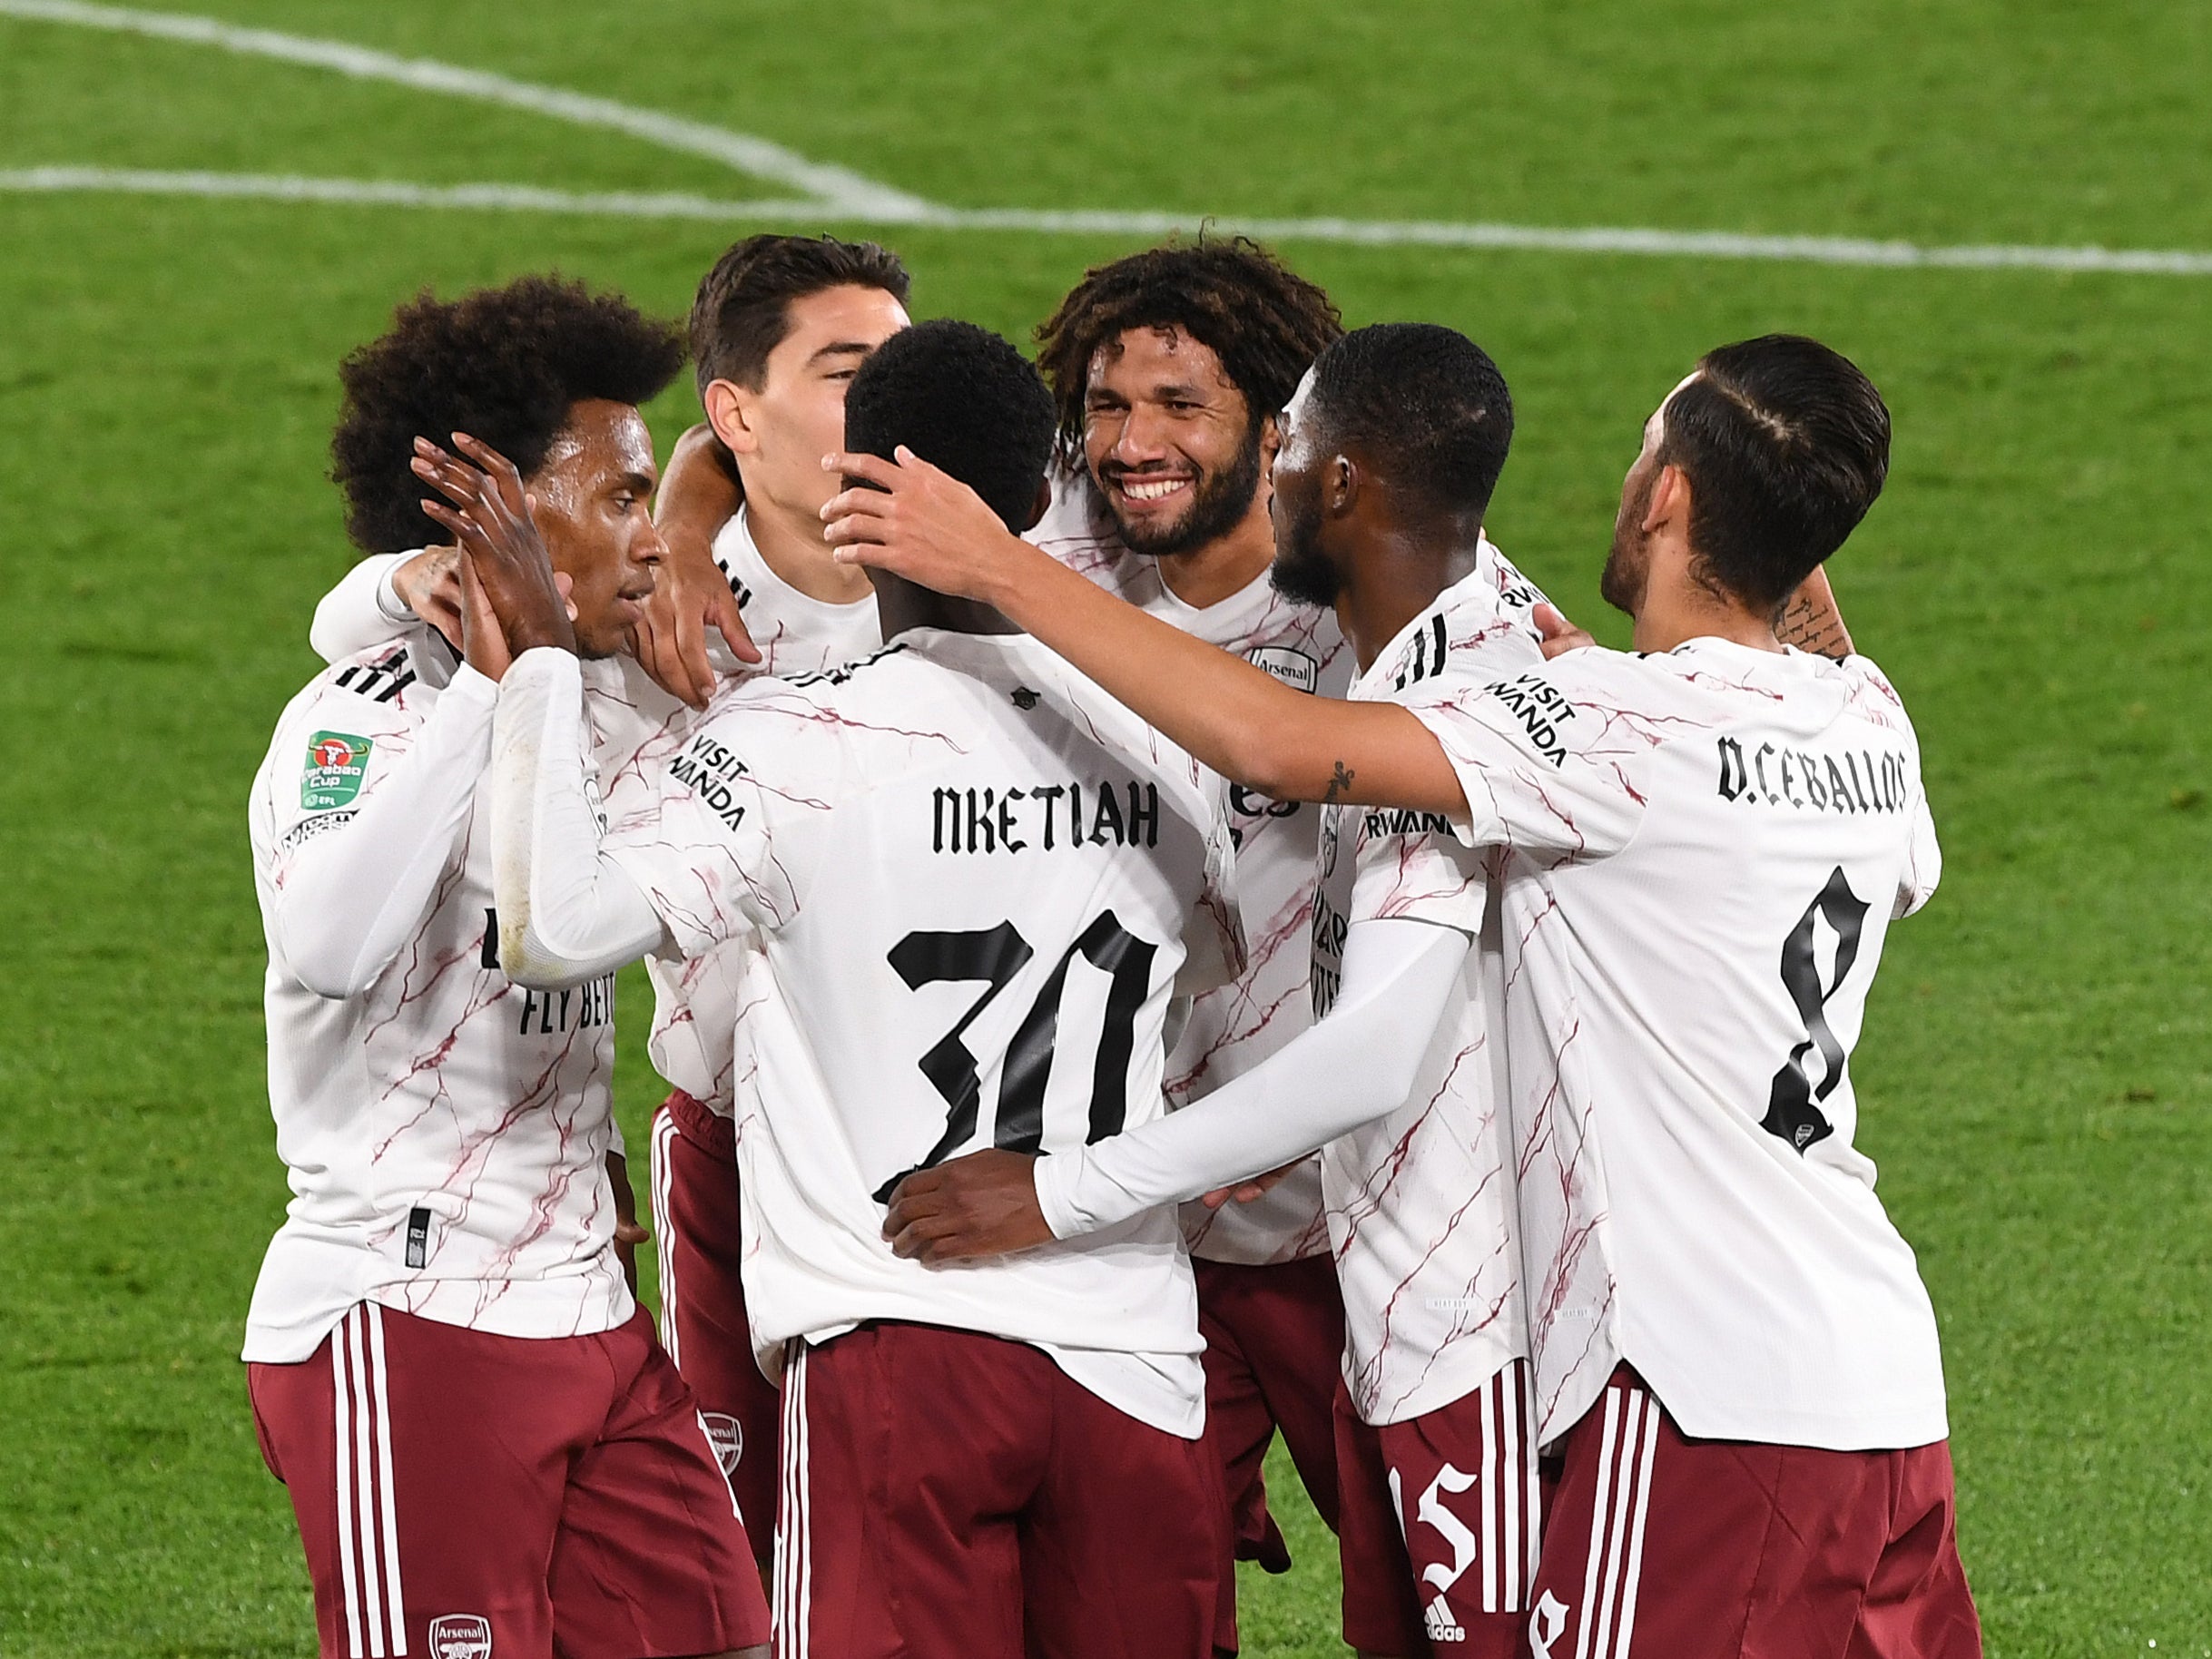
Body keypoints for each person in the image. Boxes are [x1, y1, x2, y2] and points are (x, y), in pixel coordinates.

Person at [824, 331, 1981, 1658]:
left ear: (1665, 497)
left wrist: (995, 565)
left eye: (1640, 455)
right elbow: (1865, 800)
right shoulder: (1864, 724)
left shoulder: (1596, 724)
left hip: (1704, 1383)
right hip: (1880, 1372)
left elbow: (1277, 743)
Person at [434, 319, 1247, 1659]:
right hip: (1136, 1359)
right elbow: (1211, 982)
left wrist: (533, 665)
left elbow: (552, 929)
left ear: (854, 503)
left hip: (901, 1349)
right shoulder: (1178, 733)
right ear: (1037, 498)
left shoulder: (791, 744)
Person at [652, 236, 1354, 1646]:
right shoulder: (1049, 525)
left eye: (1180, 407)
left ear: (1281, 432)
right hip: (1067, 1211)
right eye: (1105, 408)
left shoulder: (1362, 576)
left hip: (1298, 1190)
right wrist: (680, 519)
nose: (1135, 445)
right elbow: (750, 439)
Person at [883, 323, 1556, 1657]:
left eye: (1281, 439)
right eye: (1107, 407)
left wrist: (1062, 1191)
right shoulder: (1424, 631)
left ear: (1325, 471)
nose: (1142, 444)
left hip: (1459, 1294)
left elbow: (1275, 757)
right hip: (1279, 1236)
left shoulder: (1464, 684)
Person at [300, 233, 914, 1566]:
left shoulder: (980, 579)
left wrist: (663, 518)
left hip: (861, 1178)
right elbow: (365, 656)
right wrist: (449, 604)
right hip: (578, 1220)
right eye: (846, 372)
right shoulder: (609, 645)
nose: (885, 401)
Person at [243, 276, 769, 1659]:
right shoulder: (355, 718)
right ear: (490, 515)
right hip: (408, 1310)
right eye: (617, 501)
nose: (651, 542)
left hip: (593, 1309)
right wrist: (491, 680)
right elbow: (330, 946)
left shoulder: (601, 697)